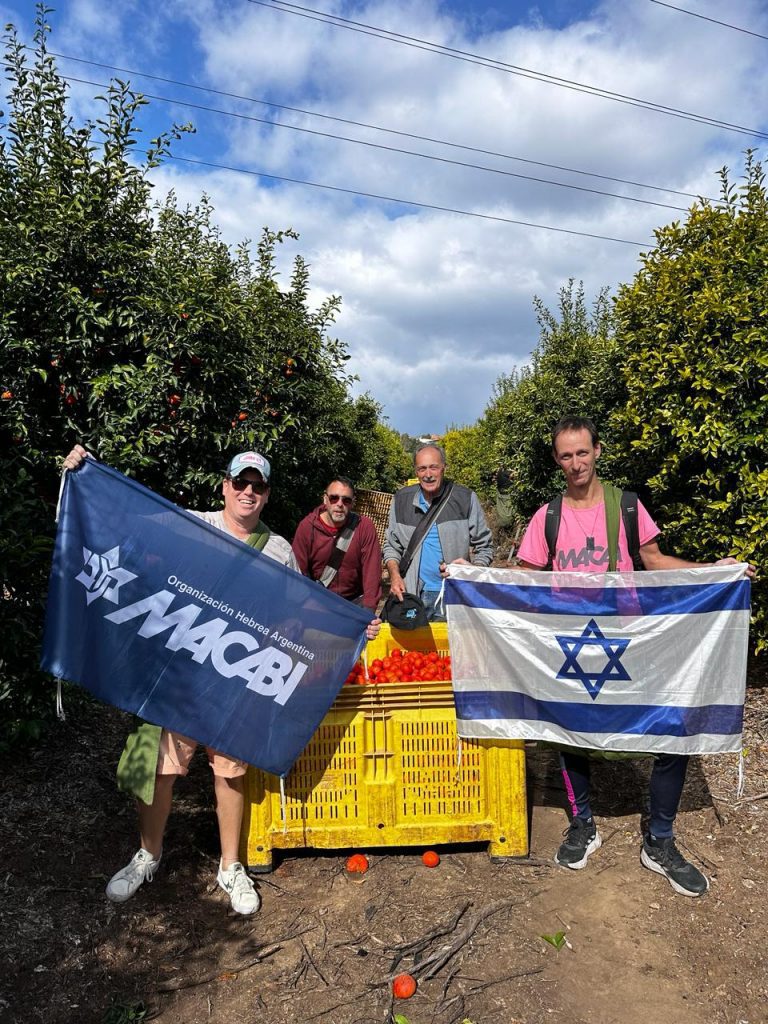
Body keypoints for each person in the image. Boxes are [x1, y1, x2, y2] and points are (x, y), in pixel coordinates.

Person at [62, 445, 379, 914]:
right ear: (226, 486)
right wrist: (86, 474)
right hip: (182, 676)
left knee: (230, 775)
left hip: (235, 679)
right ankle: (147, 855)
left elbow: (298, 609)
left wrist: (352, 625)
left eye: (258, 486)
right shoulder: (193, 525)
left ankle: (231, 866)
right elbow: (131, 521)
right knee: (160, 770)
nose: (248, 492)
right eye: (240, 483)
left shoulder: (277, 550)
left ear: (267, 494)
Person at [515, 415, 754, 897]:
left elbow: (655, 561)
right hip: (572, 641)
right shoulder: (548, 516)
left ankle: (660, 840)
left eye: (583, 452)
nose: (576, 463)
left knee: (672, 728)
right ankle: (582, 824)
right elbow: (524, 575)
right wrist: (469, 576)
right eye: (566, 455)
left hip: (630, 639)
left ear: (597, 450)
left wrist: (713, 570)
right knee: (568, 731)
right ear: (557, 460)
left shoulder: (625, 506)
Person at [383, 443, 493, 621]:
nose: (428, 474)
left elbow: (485, 546)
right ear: (416, 471)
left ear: (444, 468)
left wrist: (472, 571)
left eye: (433, 467)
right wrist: (395, 576)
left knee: (450, 640)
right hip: (412, 595)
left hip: (454, 595)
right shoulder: (401, 500)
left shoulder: (465, 498)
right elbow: (391, 546)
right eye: (422, 469)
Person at [292, 476, 383, 611]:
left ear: (353, 503)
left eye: (346, 500)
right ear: (325, 499)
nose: (340, 504)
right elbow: (298, 571)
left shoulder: (364, 527)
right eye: (334, 498)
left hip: (352, 604)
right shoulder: (307, 527)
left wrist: (369, 610)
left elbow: (372, 572)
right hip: (316, 602)